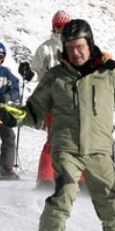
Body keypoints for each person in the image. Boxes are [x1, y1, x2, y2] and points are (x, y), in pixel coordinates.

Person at [0, 19, 115, 231]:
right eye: (71, 47)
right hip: (66, 150)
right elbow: (34, 110)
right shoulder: (55, 77)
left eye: (80, 46)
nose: (76, 52)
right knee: (63, 197)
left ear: (90, 44)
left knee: (114, 208)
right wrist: (14, 115)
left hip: (100, 152)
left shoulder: (110, 73)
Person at [18, 10, 72, 185]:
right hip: (53, 99)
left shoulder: (76, 46)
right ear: (53, 27)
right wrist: (28, 73)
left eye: (64, 27)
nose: (61, 30)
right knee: (54, 139)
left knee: (81, 139)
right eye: (58, 26)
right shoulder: (46, 48)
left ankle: (83, 180)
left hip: (75, 100)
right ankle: (46, 179)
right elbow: (37, 72)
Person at [0, 42, 20, 178]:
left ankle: (6, 168)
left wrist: (9, 96)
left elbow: (16, 88)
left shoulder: (5, 73)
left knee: (9, 136)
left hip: (0, 112)